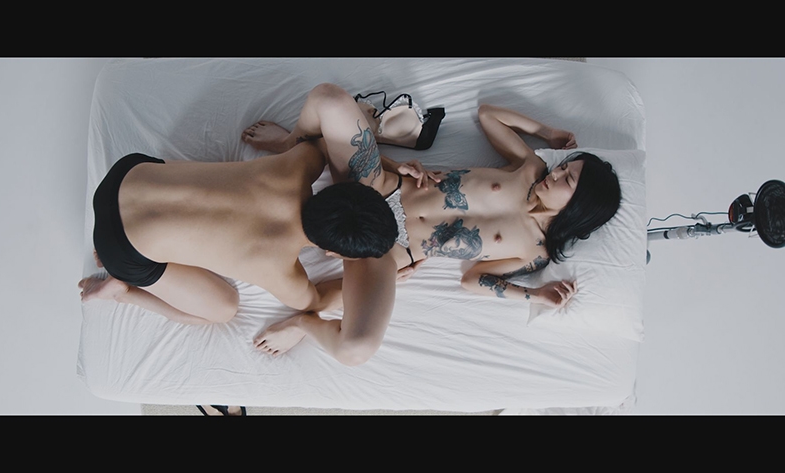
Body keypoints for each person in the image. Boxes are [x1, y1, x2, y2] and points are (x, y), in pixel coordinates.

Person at [243, 83, 621, 364]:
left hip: (388, 249)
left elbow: (473, 280)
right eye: (564, 167)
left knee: (355, 349)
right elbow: (489, 114)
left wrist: (536, 295)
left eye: (568, 180)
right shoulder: (530, 167)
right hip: (380, 185)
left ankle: (302, 325)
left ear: (580, 208)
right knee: (329, 97)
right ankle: (289, 143)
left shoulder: (535, 253)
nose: (556, 173)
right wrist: (547, 134)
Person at [77, 139, 407, 326]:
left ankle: (122, 250)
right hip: (120, 249)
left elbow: (330, 142)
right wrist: (384, 278)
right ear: (332, 253)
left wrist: (390, 166)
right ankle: (121, 291)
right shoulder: (278, 269)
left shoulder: (301, 162)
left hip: (127, 174)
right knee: (223, 310)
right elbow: (316, 301)